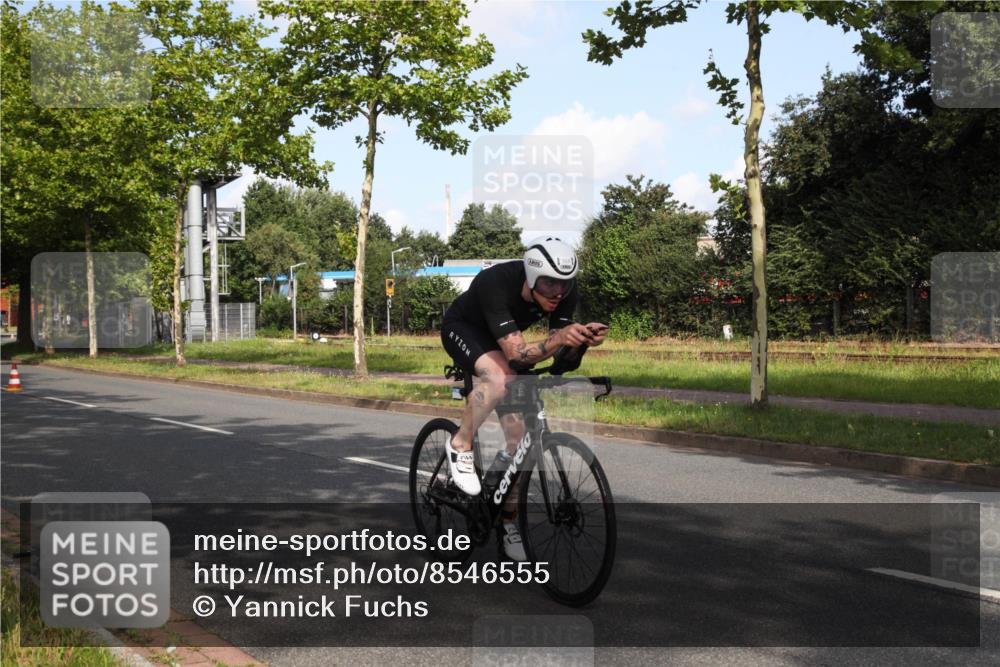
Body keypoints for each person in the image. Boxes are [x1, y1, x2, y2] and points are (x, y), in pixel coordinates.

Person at [440, 236, 608, 560]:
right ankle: (460, 444)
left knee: (519, 440)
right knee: (500, 377)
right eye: (549, 284)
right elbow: (517, 354)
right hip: (465, 329)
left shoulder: (564, 296)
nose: (558, 293)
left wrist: (581, 341)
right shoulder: (496, 283)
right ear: (531, 277)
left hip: (504, 343)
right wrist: (558, 337)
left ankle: (507, 520)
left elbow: (561, 363)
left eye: (564, 284)